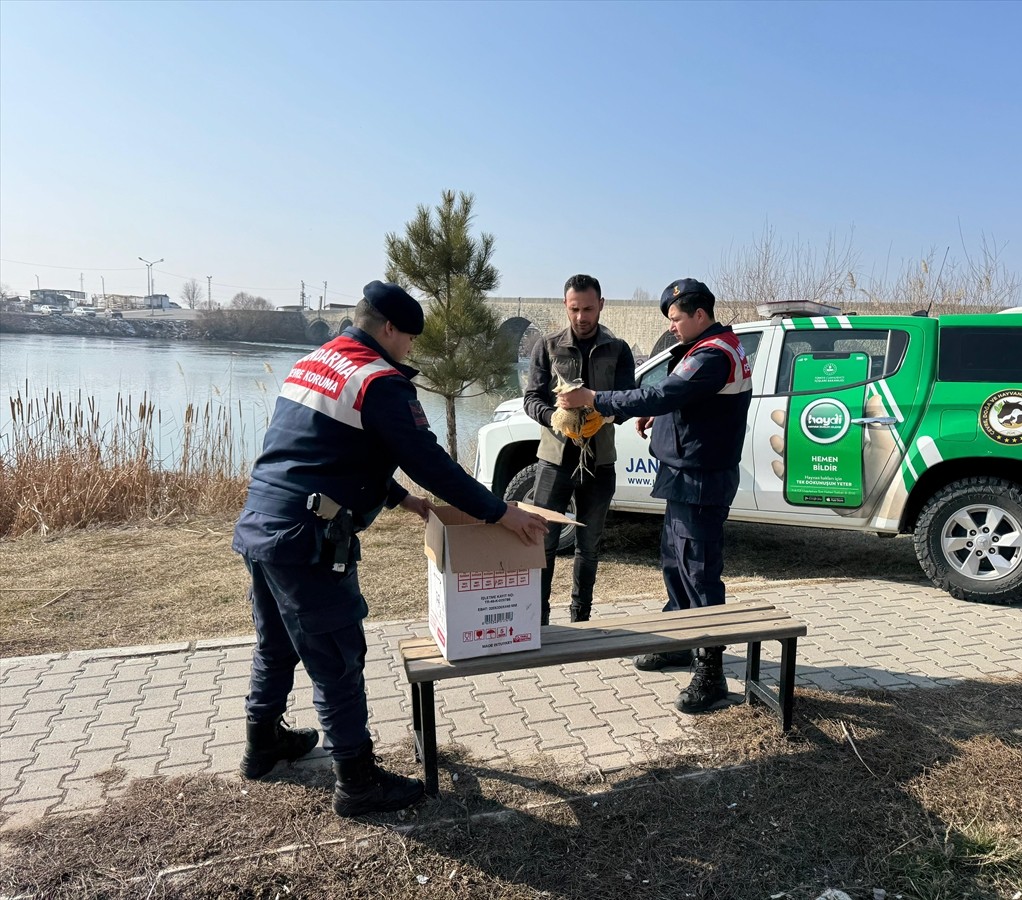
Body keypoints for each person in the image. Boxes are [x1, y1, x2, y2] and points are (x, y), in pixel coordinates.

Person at [232, 280, 547, 816]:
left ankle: (262, 745)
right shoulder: (378, 380)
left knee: (278, 643)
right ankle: (356, 781)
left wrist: (402, 499)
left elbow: (325, 447)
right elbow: (429, 459)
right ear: (389, 329)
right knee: (337, 656)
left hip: (263, 524)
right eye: (408, 340)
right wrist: (502, 511)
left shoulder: (315, 361)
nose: (409, 351)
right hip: (306, 539)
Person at [557, 278, 752, 713]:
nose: (674, 328)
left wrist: (597, 398)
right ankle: (680, 643)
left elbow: (667, 392)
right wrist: (655, 420)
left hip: (700, 477)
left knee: (699, 573)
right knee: (675, 563)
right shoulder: (710, 345)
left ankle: (711, 672)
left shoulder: (713, 354)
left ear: (699, 315)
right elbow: (682, 404)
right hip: (685, 471)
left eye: (677, 319)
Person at [523, 274, 636, 625]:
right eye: (575, 309)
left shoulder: (618, 349)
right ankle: (537, 620)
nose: (582, 317)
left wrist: (606, 415)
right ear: (565, 306)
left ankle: (580, 618)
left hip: (599, 462)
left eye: (588, 308)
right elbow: (531, 399)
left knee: (589, 547)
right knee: (542, 543)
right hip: (554, 461)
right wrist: (554, 418)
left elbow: (628, 400)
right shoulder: (547, 345)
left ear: (601, 305)